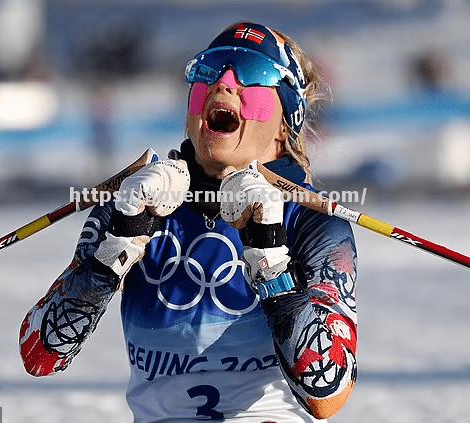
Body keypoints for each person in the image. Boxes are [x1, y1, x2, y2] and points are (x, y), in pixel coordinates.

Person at [19, 22, 357, 422]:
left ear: (286, 122)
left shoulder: (312, 221)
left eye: (253, 73)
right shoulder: (138, 203)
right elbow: (41, 355)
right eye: (209, 70)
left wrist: (270, 255)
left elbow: (328, 395)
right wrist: (117, 247)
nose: (225, 83)